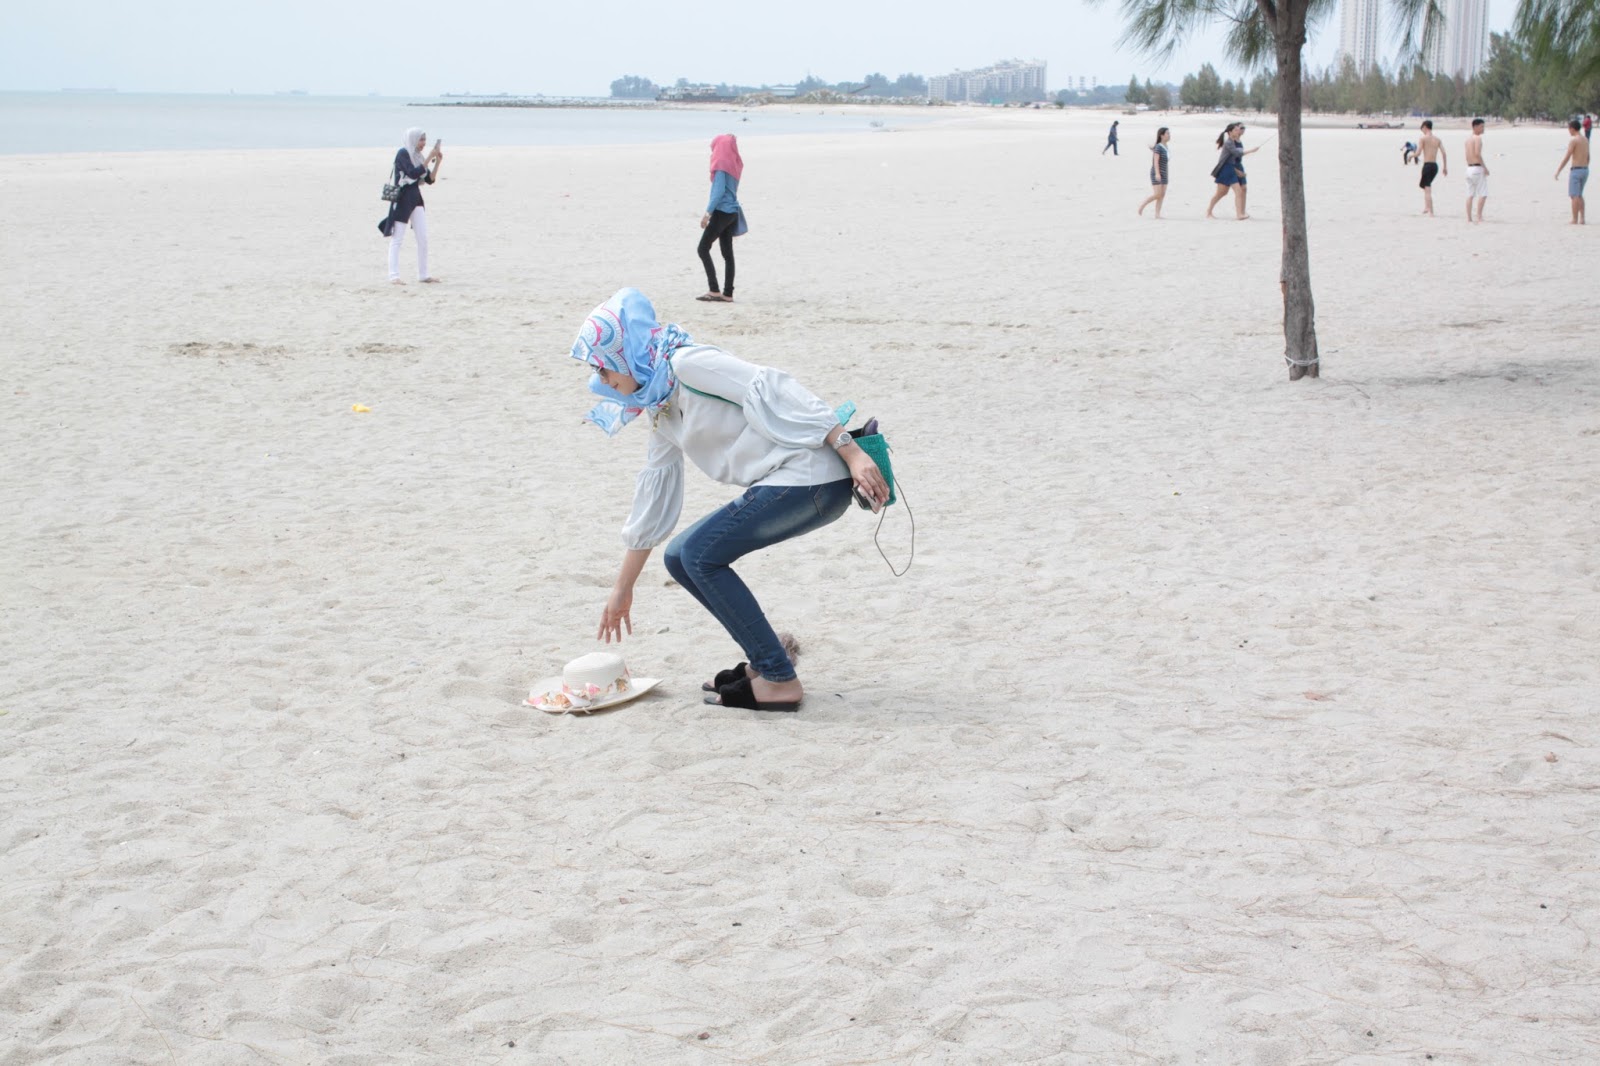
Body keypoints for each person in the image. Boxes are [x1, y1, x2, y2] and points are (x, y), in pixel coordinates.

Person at [573, 288, 890, 712]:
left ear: (625, 351)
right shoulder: (660, 404)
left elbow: (776, 386)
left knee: (702, 554)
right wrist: (622, 588)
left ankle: (779, 679)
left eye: (604, 365)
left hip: (814, 476)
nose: (602, 378)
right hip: (793, 483)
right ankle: (766, 663)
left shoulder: (686, 363)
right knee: (680, 555)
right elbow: (654, 495)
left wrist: (849, 449)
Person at [382, 128, 441, 284]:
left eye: (424, 140)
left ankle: (423, 274)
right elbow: (413, 173)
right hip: (403, 199)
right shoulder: (403, 153)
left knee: (423, 238)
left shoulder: (418, 156)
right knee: (397, 239)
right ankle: (393, 276)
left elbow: (429, 179)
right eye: (421, 140)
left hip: (416, 199)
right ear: (413, 139)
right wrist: (429, 157)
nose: (423, 143)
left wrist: (438, 162)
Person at [697, 134, 743, 303]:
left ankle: (714, 290)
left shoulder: (721, 166)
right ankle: (728, 293)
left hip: (721, 212)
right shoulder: (735, 164)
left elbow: (717, 193)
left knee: (702, 248)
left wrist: (707, 214)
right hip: (732, 213)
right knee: (727, 254)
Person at [1206, 122, 1260, 220]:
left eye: (1238, 129)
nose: (1238, 131)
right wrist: (1251, 151)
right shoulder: (1228, 143)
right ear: (1230, 132)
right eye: (1235, 130)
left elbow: (1233, 159)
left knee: (1224, 192)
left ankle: (1239, 214)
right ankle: (1210, 211)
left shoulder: (1235, 141)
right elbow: (1236, 153)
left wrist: (1237, 171)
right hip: (1225, 169)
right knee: (1224, 192)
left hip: (1231, 168)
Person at [1555, 118, 1590, 225]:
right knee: (1579, 195)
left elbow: (1567, 157)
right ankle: (1582, 218)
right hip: (1585, 169)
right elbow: (1588, 156)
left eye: (1569, 129)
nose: (1568, 131)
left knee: (1574, 195)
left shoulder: (1574, 140)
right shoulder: (1585, 139)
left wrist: (1558, 170)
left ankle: (1575, 219)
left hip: (1576, 170)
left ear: (1572, 128)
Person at [1138, 127, 1171, 218]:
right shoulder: (1158, 147)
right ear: (1162, 135)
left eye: (1169, 133)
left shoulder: (1165, 146)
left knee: (1162, 195)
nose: (1169, 135)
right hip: (1157, 173)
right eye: (1167, 133)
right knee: (1157, 194)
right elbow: (1155, 162)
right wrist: (1157, 173)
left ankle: (1157, 214)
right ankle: (1142, 205)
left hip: (1165, 173)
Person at [1417, 120, 1447, 216]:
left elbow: (1418, 153)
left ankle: (1429, 210)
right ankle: (1429, 209)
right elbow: (1444, 153)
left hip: (1427, 165)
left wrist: (1411, 156)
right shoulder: (1437, 139)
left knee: (1427, 189)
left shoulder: (1423, 139)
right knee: (1427, 187)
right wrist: (1445, 167)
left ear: (1425, 127)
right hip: (1435, 166)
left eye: (1422, 129)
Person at [1464, 118, 1489, 223]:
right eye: (1481, 126)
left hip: (1469, 168)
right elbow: (1477, 154)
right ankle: (1479, 216)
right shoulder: (1477, 138)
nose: (1483, 128)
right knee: (1483, 194)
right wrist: (1484, 167)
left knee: (1470, 194)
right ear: (1475, 127)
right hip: (1476, 168)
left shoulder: (1467, 139)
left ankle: (1469, 218)